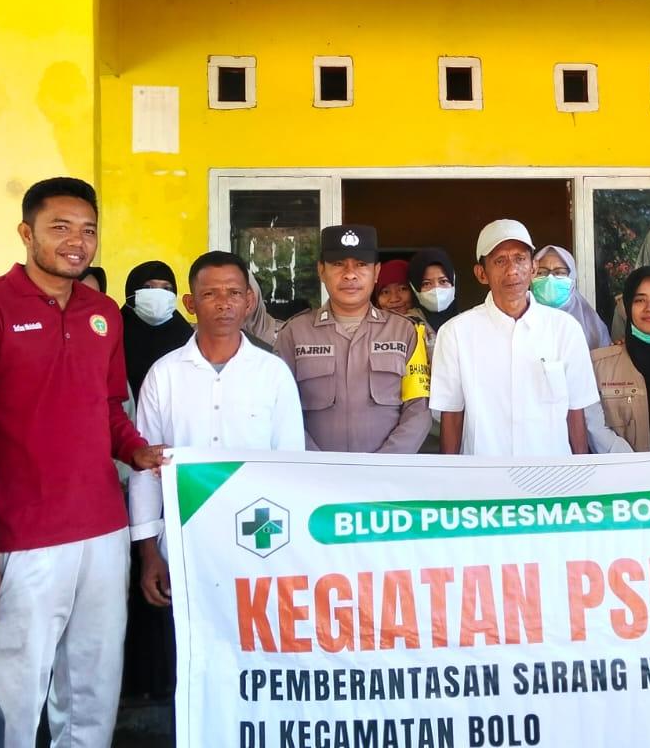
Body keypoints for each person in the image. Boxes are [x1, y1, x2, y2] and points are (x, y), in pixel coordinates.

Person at [0, 177, 165, 748]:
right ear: (26, 232)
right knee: (13, 694)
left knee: (93, 688)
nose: (76, 242)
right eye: (60, 227)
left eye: (88, 230)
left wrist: (133, 449)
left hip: (103, 531)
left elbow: (107, 405)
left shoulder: (102, 313)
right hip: (23, 537)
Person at [130, 251, 304, 600]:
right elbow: (145, 469)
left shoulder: (273, 374)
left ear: (249, 301)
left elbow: (290, 465)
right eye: (210, 294)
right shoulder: (164, 375)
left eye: (234, 293)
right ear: (190, 303)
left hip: (258, 540)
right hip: (183, 541)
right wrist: (148, 552)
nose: (224, 303)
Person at [431, 219, 599, 456]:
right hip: (484, 474)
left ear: (533, 267)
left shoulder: (565, 329)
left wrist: (578, 472)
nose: (512, 270)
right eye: (500, 261)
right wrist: (450, 476)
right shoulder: (455, 333)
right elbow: (452, 414)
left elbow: (575, 410)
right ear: (481, 273)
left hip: (551, 473)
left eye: (520, 259)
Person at [274, 225, 432, 453]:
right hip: (313, 470)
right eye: (338, 264)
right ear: (321, 270)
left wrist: (384, 463)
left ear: (376, 272)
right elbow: (280, 410)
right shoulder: (294, 333)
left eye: (361, 264)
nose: (350, 274)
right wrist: (316, 464)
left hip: (387, 470)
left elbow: (419, 409)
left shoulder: (405, 332)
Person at [586, 266, 650, 453]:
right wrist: (634, 464)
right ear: (628, 307)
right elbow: (594, 425)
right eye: (639, 300)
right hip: (623, 469)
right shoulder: (599, 366)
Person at [122, 260, 194, 402]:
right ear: (131, 291)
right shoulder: (114, 332)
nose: (158, 294)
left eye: (167, 289)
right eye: (148, 287)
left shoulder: (185, 336)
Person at [533, 244, 611, 350]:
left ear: (572, 277)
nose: (550, 278)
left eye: (559, 272)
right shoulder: (520, 317)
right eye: (542, 272)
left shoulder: (591, 324)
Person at [407, 248, 459, 332]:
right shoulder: (405, 326)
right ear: (414, 288)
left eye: (443, 281)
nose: (436, 289)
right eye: (426, 283)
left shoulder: (467, 323)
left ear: (453, 282)